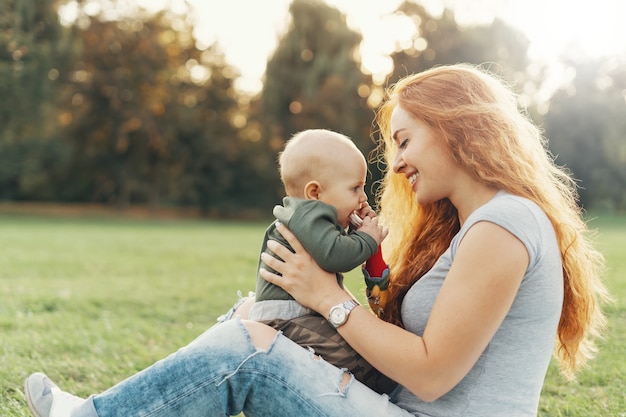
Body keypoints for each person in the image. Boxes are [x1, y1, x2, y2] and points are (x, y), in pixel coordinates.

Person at [23, 63, 610, 417]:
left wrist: (328, 295)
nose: (397, 163)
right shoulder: (467, 228)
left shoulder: (506, 224)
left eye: (405, 141)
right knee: (254, 316)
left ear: (456, 127)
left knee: (249, 350)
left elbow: (431, 376)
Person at [250, 128, 396, 393]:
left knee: (348, 347)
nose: (362, 197)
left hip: (294, 312)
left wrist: (356, 231)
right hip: (289, 316)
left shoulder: (306, 215)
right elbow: (334, 256)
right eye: (355, 188)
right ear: (315, 193)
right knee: (351, 357)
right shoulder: (310, 215)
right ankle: (376, 386)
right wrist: (368, 239)